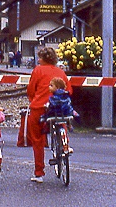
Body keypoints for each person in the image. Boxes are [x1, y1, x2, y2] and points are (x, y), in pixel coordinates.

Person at [26, 45, 71, 183]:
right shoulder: (61, 73)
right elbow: (69, 90)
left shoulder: (38, 70)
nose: (38, 60)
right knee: (61, 121)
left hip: (39, 108)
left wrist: (35, 100)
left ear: (43, 59)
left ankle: (39, 173)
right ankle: (65, 145)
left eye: (39, 57)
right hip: (56, 108)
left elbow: (31, 90)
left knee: (37, 139)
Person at [41, 76, 79, 153]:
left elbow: (52, 106)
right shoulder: (66, 95)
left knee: (46, 118)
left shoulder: (53, 97)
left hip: (55, 114)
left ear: (57, 87)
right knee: (63, 123)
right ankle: (69, 127)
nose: (49, 87)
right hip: (65, 114)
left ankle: (46, 129)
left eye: (51, 85)